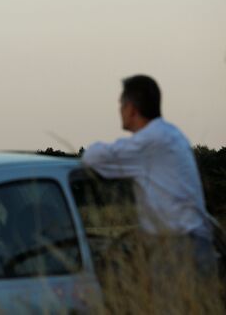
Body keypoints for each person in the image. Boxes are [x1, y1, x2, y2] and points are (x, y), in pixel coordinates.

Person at [82, 75, 217, 290]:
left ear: (131, 108)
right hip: (197, 242)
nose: (119, 111)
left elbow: (92, 158)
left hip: (177, 248)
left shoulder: (149, 141)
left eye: (121, 105)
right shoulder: (172, 134)